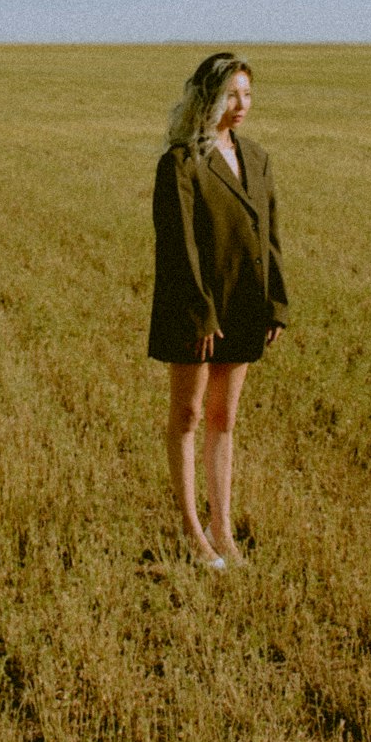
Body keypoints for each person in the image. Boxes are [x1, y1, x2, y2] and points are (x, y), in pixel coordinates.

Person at [148, 52, 288, 568]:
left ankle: (222, 529)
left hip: (245, 302)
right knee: (186, 416)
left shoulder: (258, 157)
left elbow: (269, 236)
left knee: (223, 417)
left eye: (248, 94)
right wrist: (200, 314)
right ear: (208, 97)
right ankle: (191, 532)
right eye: (231, 94)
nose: (241, 105)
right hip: (195, 309)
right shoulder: (181, 162)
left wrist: (275, 303)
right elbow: (177, 247)